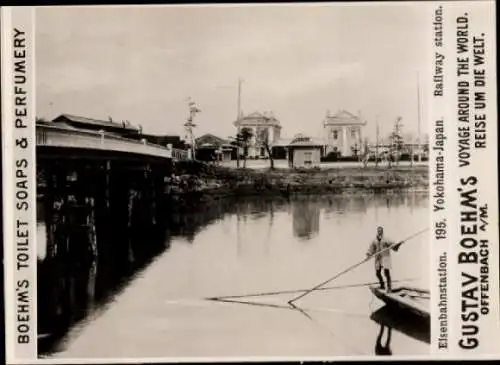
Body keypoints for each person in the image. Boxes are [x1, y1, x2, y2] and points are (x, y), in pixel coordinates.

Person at [367, 226, 402, 292]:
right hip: (378, 259)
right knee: (377, 273)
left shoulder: (386, 239)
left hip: (385, 258)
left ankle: (389, 288)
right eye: (378, 231)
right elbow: (371, 249)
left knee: (386, 273)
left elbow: (393, 245)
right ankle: (382, 285)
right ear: (377, 232)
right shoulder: (374, 240)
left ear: (382, 232)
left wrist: (398, 244)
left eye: (380, 231)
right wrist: (368, 254)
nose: (379, 232)